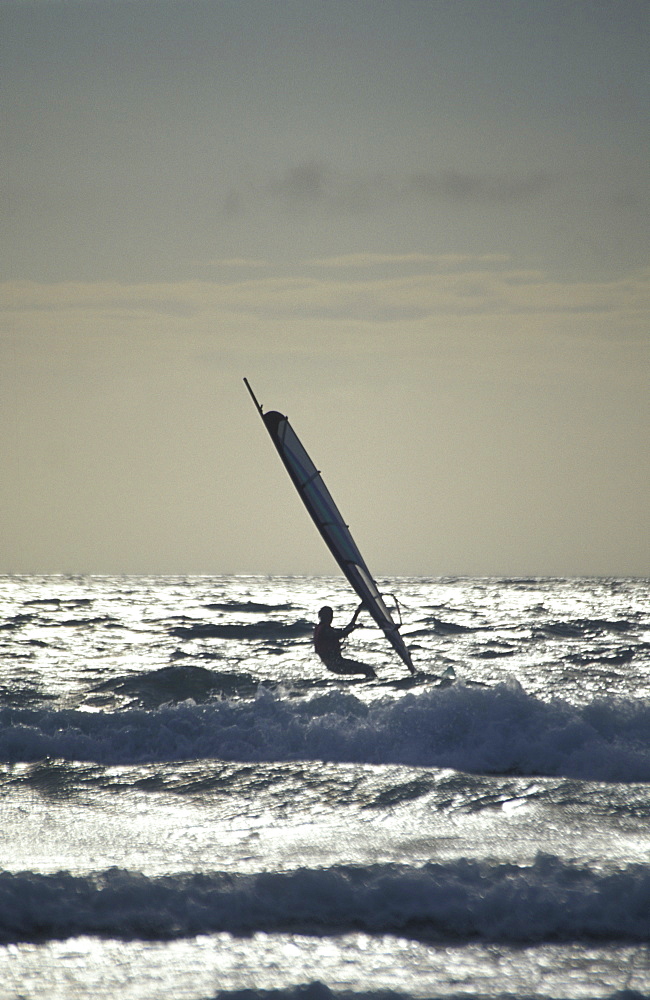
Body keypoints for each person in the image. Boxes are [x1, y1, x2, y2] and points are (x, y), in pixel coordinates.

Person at [313, 604, 376, 679]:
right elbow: (341, 634)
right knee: (368, 670)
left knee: (367, 670)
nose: (330, 618)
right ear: (322, 617)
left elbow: (345, 629)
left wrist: (357, 613)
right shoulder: (325, 630)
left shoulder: (325, 628)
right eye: (328, 616)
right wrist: (354, 628)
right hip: (336, 665)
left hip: (337, 663)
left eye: (331, 616)